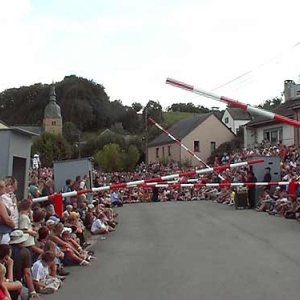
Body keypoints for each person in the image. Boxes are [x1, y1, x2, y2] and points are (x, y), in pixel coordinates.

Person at [9, 230, 38, 299]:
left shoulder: (5, 250)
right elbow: (27, 273)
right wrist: (32, 291)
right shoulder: (25, 252)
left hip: (5, 281)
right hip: (17, 282)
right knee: (25, 294)